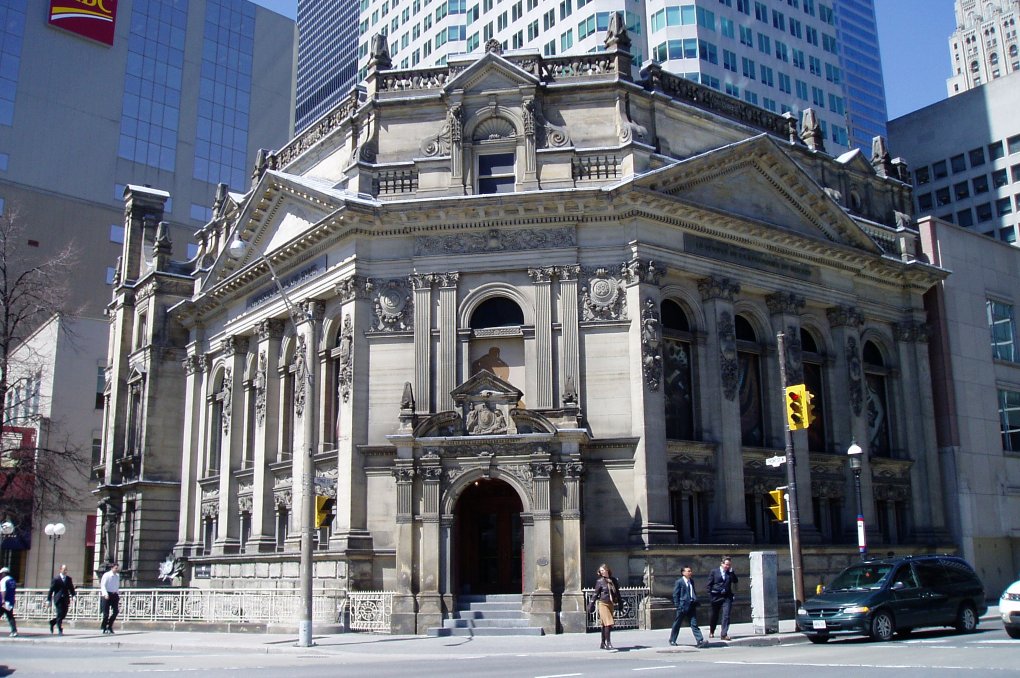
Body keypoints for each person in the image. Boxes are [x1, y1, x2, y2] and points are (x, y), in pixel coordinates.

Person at [669, 565, 706, 648]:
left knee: (694, 624)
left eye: (690, 571)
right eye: (688, 571)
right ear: (683, 573)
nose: (690, 573)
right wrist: (678, 605)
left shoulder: (691, 581)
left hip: (691, 605)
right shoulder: (679, 582)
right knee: (677, 624)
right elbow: (675, 594)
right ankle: (672, 639)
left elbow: (692, 592)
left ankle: (700, 640)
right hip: (682, 606)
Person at [591, 563, 622, 650]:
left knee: (605, 625)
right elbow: (595, 594)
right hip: (603, 604)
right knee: (609, 623)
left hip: (610, 603)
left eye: (603, 570)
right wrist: (591, 604)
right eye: (600, 571)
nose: (602, 572)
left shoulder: (613, 580)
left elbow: (617, 592)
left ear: (607, 570)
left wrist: (620, 602)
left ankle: (602, 643)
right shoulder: (600, 581)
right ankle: (608, 643)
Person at [706, 556, 738, 640]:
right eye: (726, 565)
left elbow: (735, 581)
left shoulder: (730, 573)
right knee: (714, 615)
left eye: (729, 565)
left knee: (726, 615)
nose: (728, 566)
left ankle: (724, 634)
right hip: (716, 596)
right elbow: (709, 585)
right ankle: (712, 631)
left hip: (727, 596)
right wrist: (710, 596)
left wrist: (731, 572)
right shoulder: (714, 572)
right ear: (722, 564)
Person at [48, 563, 77, 635]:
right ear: (60, 570)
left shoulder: (68, 579)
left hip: (66, 599)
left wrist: (73, 596)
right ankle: (60, 629)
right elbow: (51, 590)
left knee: (64, 614)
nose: (65, 571)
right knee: (60, 613)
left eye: (66, 570)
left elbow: (71, 588)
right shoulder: (56, 579)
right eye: (64, 570)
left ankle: (52, 622)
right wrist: (48, 600)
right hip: (58, 599)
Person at [100, 563, 121, 634]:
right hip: (107, 594)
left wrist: (117, 592)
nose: (117, 569)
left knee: (116, 611)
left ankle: (110, 625)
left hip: (114, 594)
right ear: (112, 568)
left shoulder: (117, 576)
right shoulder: (107, 575)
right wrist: (105, 594)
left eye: (117, 568)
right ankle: (104, 626)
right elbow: (103, 585)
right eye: (115, 568)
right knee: (106, 614)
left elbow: (117, 585)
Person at [0, 566, 17, 637]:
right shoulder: (12, 580)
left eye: (1, 574)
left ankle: (14, 631)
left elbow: (3, 590)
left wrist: (3, 600)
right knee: (10, 616)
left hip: (3, 601)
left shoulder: (3, 580)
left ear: (4, 573)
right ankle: (14, 631)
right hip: (11, 601)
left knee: (9, 616)